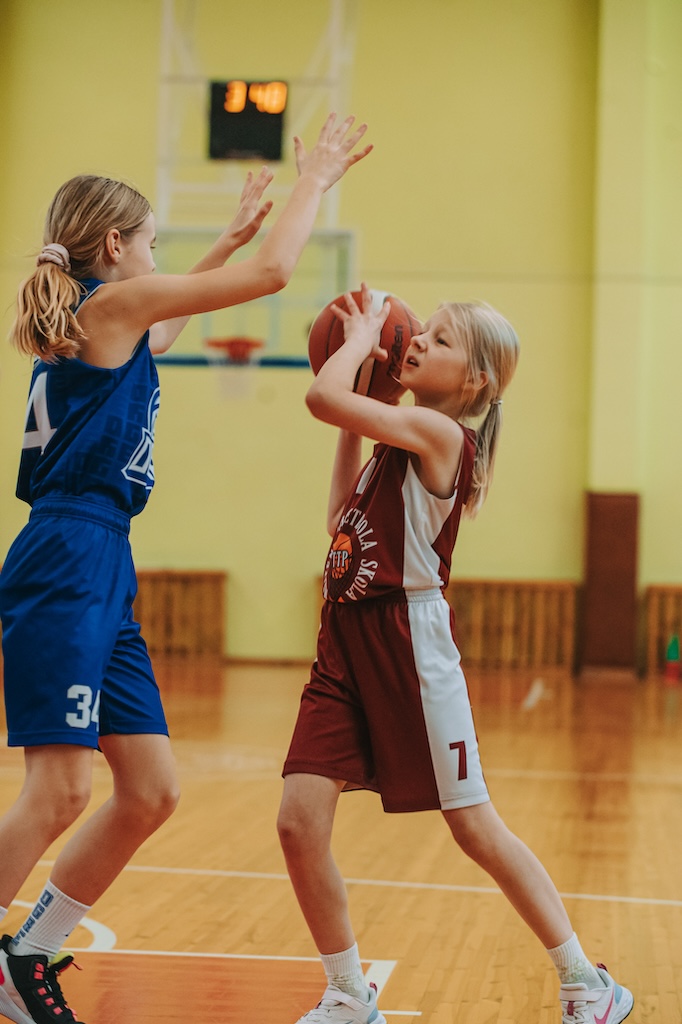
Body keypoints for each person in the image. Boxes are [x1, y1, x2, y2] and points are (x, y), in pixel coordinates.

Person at [0, 113, 372, 1024]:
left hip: (101, 559)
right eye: (155, 246)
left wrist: (227, 238)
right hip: (68, 554)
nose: (160, 262)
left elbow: (167, 325)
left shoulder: (108, 320)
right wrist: (316, 180)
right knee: (60, 789)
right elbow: (275, 277)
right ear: (115, 248)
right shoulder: (106, 309)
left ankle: (28, 955)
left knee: (150, 790)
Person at [277, 284, 634, 1024]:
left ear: (475, 381)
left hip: (409, 649)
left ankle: (586, 981)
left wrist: (358, 342)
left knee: (473, 827)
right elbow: (337, 517)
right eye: (421, 331)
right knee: (298, 823)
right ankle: (348, 993)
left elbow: (319, 399)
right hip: (343, 643)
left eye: (438, 339)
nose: (415, 339)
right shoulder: (396, 443)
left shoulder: (444, 437)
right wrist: (362, 403)